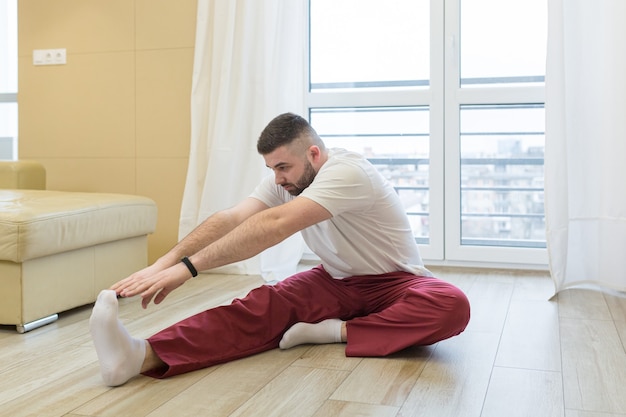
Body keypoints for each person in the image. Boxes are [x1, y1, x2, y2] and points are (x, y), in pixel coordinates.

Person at [89, 112, 471, 387]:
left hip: (395, 283)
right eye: (272, 168)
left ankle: (335, 332)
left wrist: (189, 269)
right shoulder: (287, 180)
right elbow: (233, 218)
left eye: (283, 167)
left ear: (314, 155)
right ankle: (137, 356)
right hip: (335, 281)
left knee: (451, 305)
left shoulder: (349, 172)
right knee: (256, 308)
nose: (277, 178)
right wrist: (165, 262)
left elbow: (275, 224)